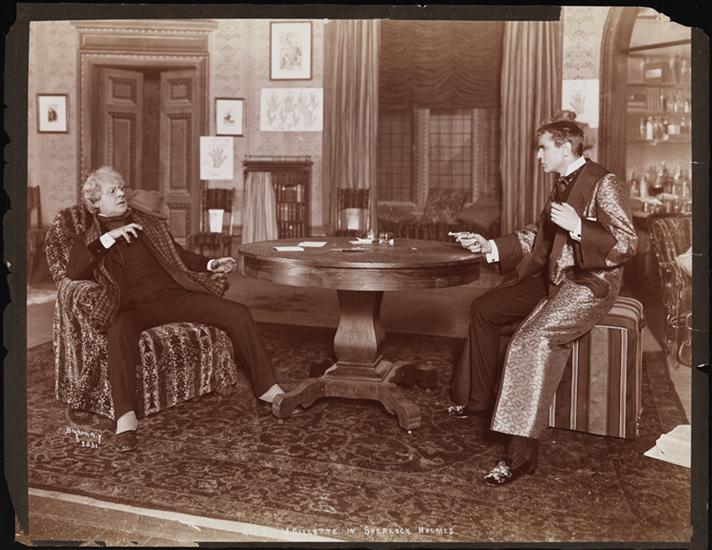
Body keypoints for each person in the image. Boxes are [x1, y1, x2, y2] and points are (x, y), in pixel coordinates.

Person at [449, 120, 638, 486]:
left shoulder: (604, 182)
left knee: (530, 340)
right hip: (554, 278)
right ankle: (480, 401)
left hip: (589, 283)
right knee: (484, 308)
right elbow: (541, 238)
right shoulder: (560, 183)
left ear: (565, 148)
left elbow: (628, 243)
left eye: (543, 148)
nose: (538, 155)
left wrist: (580, 226)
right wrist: (489, 246)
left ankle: (520, 458)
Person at [67, 166, 287, 452]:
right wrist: (112, 237)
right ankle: (125, 417)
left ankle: (269, 389)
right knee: (118, 332)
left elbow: (177, 255)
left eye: (121, 188)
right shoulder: (90, 236)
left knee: (238, 312)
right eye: (113, 191)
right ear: (96, 203)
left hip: (172, 297)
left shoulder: (147, 222)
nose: (121, 193)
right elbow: (74, 271)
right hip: (132, 308)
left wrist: (210, 264)